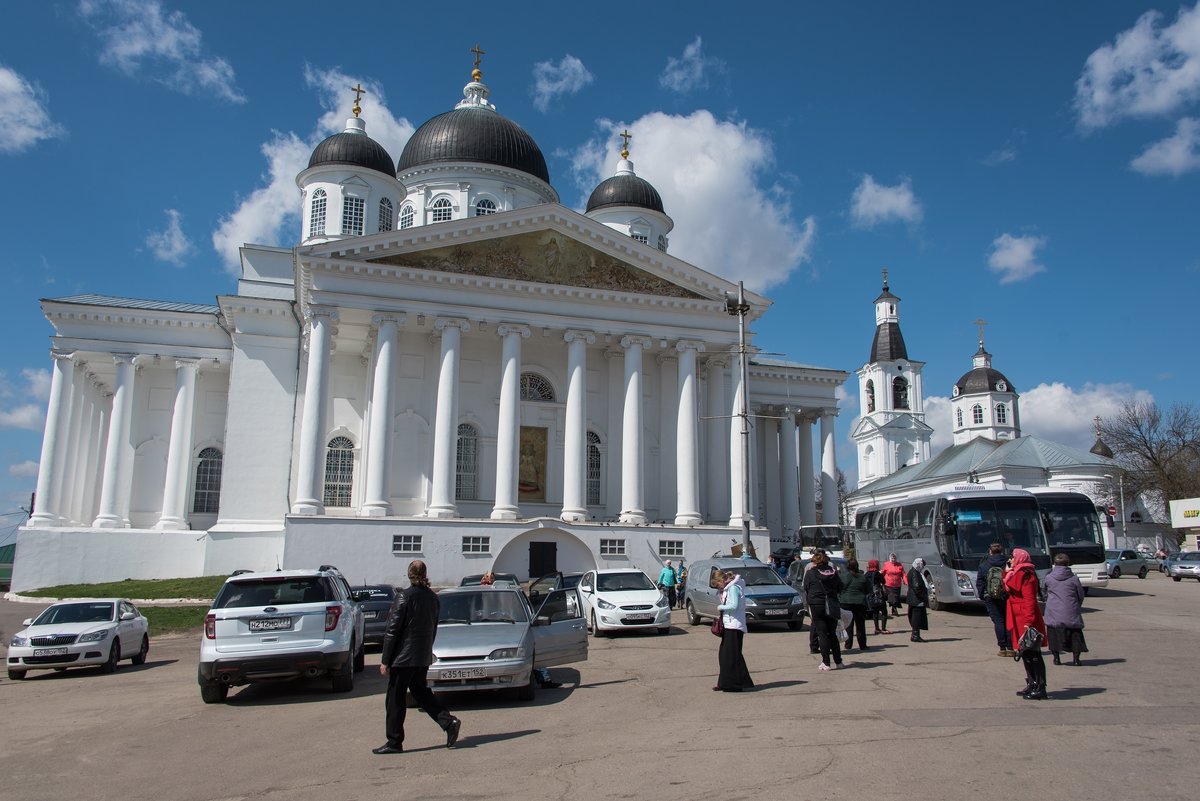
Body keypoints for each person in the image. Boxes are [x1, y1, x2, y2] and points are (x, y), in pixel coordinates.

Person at [375, 560, 461, 754]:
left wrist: (385, 660)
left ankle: (394, 741)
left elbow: (392, 631)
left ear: (409, 574)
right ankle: (449, 723)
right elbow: (434, 628)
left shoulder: (404, 597)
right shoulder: (433, 598)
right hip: (421, 656)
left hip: (403, 658)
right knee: (421, 693)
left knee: (395, 699)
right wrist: (426, 651)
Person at [1004, 548, 1048, 700]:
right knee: (1025, 653)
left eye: (1013, 557)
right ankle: (1032, 682)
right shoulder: (1017, 573)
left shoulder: (1026, 575)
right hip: (1018, 616)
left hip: (1025, 618)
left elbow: (1030, 600)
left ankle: (1040, 686)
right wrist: (1008, 571)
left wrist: (1028, 623)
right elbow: (1007, 586)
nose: (1011, 560)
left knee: (1033, 653)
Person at [1043, 553, 1088, 667]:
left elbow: (1044, 593)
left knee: (1053, 635)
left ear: (1055, 564)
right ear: (1068, 564)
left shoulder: (1049, 578)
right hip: (1071, 611)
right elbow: (1080, 595)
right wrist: (1076, 605)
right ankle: (1076, 659)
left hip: (1053, 611)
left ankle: (1056, 658)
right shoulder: (1074, 579)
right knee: (1075, 635)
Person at [802, 551, 844, 671]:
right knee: (833, 633)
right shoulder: (833, 572)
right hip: (832, 604)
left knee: (822, 633)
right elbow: (841, 586)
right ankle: (839, 661)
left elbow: (806, 587)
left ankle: (826, 663)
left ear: (815, 561)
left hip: (817, 605)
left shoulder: (811, 573)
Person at [713, 569, 753, 691]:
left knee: (730, 656)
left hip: (735, 626)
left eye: (717, 584)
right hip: (729, 624)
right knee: (726, 655)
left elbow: (734, 605)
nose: (717, 587)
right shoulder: (727, 589)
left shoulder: (733, 588)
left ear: (722, 580)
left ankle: (733, 684)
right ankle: (729, 682)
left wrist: (721, 607)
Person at [976, 542, 1013, 656]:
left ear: (990, 551)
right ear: (1001, 551)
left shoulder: (984, 564)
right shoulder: (1008, 562)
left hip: (990, 596)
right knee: (1008, 621)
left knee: (998, 621)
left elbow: (980, 582)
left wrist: (983, 595)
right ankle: (1011, 648)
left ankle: (1002, 648)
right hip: (1006, 595)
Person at [838, 559, 871, 650]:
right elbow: (868, 590)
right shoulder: (863, 577)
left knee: (848, 624)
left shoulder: (844, 576)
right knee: (860, 625)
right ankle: (862, 644)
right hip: (860, 602)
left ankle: (848, 645)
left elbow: (839, 588)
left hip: (845, 602)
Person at [905, 558, 929, 642]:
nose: (922, 567)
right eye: (922, 565)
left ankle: (915, 635)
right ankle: (915, 635)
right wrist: (923, 597)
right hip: (917, 600)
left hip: (914, 599)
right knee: (916, 618)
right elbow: (917, 587)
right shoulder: (915, 573)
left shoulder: (913, 571)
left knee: (915, 617)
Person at [866, 559, 890, 634]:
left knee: (875, 612)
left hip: (871, 596)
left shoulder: (866, 574)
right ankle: (883, 628)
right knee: (884, 612)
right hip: (879, 595)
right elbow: (883, 581)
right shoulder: (877, 573)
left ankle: (877, 628)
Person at [881, 553, 905, 617]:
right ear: (890, 558)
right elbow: (883, 573)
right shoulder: (886, 564)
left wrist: (906, 581)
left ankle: (893, 608)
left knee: (896, 598)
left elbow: (903, 574)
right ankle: (895, 609)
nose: (893, 559)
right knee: (892, 597)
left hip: (897, 585)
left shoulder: (899, 565)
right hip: (888, 584)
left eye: (894, 558)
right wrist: (880, 580)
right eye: (892, 558)